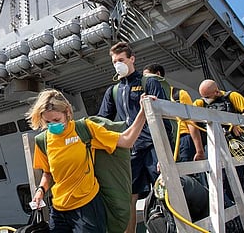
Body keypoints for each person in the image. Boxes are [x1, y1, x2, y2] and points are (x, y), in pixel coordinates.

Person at [27, 89, 151, 233]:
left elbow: (126, 140)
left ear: (67, 112)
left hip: (87, 205)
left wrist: (142, 113)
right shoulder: (43, 141)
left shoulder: (84, 129)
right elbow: (47, 173)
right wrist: (40, 190)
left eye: (56, 120)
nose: (52, 125)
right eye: (47, 122)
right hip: (59, 209)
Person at [97, 42, 172, 233]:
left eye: (121, 60)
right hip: (130, 149)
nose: (118, 65)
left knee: (165, 191)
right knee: (128, 196)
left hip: (153, 146)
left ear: (132, 59)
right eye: (114, 62)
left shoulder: (150, 83)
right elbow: (102, 120)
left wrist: (166, 153)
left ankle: (173, 228)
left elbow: (164, 119)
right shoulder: (112, 91)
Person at [194, 79, 244, 199]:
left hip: (235, 145)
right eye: (203, 96)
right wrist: (199, 150)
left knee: (243, 176)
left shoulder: (232, 96)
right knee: (220, 180)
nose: (205, 99)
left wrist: (235, 122)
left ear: (216, 92)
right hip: (214, 146)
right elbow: (192, 124)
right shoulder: (199, 103)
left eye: (207, 96)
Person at [142, 63, 205, 162]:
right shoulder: (147, 99)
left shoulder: (179, 95)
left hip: (182, 138)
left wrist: (199, 150)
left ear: (158, 74)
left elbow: (191, 123)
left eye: (147, 77)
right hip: (163, 139)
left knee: (186, 174)